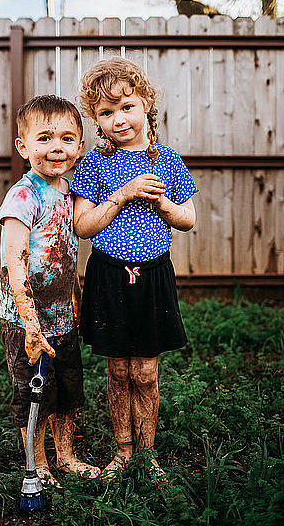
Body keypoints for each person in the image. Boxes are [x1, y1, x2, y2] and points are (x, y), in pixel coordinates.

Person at [71, 57, 198, 481]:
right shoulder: (93, 164)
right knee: (118, 368)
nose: (118, 119)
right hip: (108, 275)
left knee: (145, 370)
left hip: (154, 276)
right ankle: (123, 451)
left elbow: (189, 218)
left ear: (146, 104)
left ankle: (149, 454)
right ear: (95, 120)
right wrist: (122, 195)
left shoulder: (166, 158)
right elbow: (83, 226)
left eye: (126, 106)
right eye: (106, 113)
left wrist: (163, 204)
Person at [0, 95, 100, 486]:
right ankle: (38, 463)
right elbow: (15, 263)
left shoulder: (69, 194)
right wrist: (31, 325)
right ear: (23, 147)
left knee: (68, 391)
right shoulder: (23, 197)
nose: (57, 147)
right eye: (44, 138)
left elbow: (67, 255)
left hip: (63, 317)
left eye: (67, 139)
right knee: (34, 395)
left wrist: (74, 304)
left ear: (79, 147)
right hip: (27, 322)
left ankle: (66, 456)